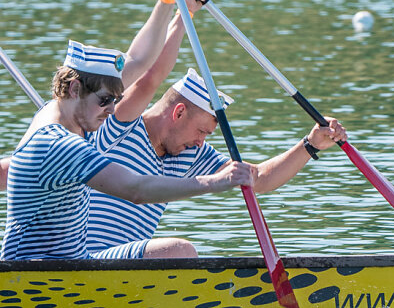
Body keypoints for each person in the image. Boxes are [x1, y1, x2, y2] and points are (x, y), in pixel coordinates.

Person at [1, 41, 254, 260]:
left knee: (176, 251)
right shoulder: (63, 145)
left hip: (75, 261)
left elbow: (141, 61)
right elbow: (136, 190)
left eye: (114, 100)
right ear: (75, 90)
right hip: (40, 271)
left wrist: (167, 2)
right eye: (103, 101)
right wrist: (213, 183)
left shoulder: (52, 116)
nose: (111, 110)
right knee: (180, 250)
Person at [85, 68, 346, 258]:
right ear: (178, 113)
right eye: (201, 132)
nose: (201, 142)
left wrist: (309, 145)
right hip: (78, 259)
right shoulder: (118, 128)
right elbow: (148, 75)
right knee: (180, 252)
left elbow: (259, 178)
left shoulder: (191, 153)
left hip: (121, 264)